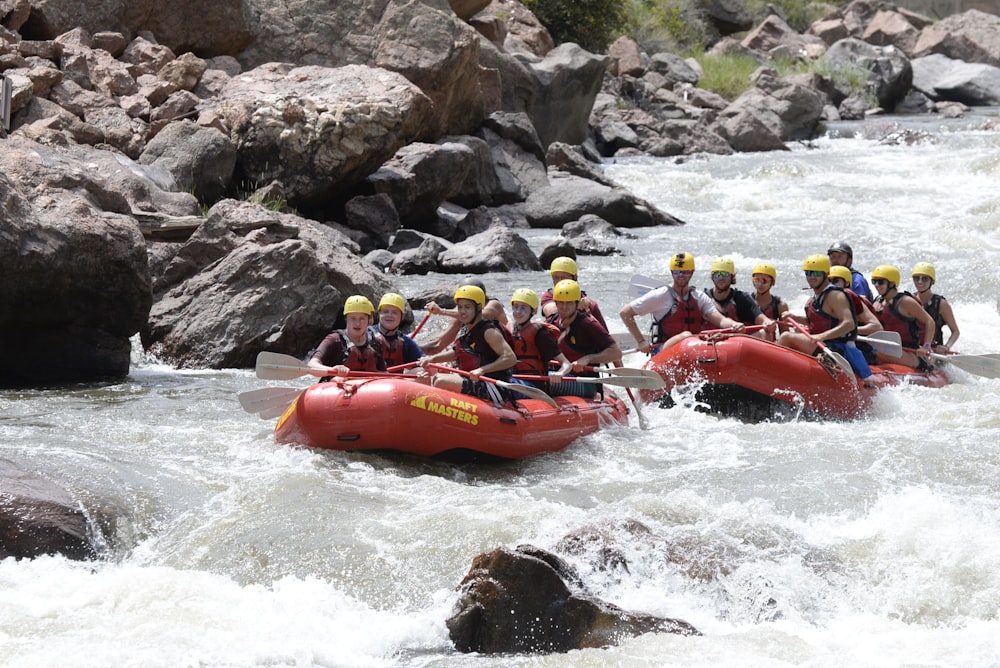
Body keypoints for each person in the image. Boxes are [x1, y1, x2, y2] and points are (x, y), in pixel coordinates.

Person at [619, 251, 746, 355]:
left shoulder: (698, 297)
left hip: (693, 351)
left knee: (701, 337)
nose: (681, 276)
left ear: (692, 272)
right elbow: (625, 313)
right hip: (663, 351)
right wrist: (641, 341)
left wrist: (735, 325)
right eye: (677, 272)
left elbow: (721, 320)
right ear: (671, 272)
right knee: (686, 335)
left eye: (685, 272)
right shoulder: (661, 295)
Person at [418, 284, 517, 404]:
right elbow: (458, 353)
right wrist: (432, 359)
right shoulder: (466, 329)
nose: (462, 312)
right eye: (460, 307)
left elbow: (510, 358)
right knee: (433, 376)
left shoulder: (489, 331)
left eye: (467, 307)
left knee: (440, 381)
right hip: (474, 380)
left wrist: (482, 370)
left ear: (479, 308)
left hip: (493, 386)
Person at [777, 254, 872, 378]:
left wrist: (822, 336)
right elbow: (818, 323)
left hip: (837, 349)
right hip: (824, 344)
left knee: (786, 337)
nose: (811, 277)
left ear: (825, 274)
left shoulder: (835, 295)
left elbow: (849, 324)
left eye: (816, 273)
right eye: (808, 273)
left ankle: (774, 373)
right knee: (789, 338)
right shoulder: (817, 297)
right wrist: (794, 317)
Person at [549, 279, 622, 398]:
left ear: (577, 304)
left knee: (546, 382)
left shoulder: (588, 324)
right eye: (561, 302)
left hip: (585, 382)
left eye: (569, 303)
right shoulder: (552, 322)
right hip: (558, 375)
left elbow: (616, 352)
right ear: (556, 303)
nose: (564, 307)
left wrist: (587, 359)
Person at [870, 265, 937, 370]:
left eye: (881, 282)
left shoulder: (905, 302)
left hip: (910, 352)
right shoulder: (878, 302)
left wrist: (926, 346)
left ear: (892, 283)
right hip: (886, 348)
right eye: (874, 282)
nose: (877, 285)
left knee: (879, 352)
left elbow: (930, 321)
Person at [420, 279, 508, 355]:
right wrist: (412, 349)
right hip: (478, 356)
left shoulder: (494, 305)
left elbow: (481, 314)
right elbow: (438, 345)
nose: (463, 310)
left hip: (501, 353)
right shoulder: (460, 315)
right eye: (460, 305)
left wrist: (442, 311)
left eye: (468, 305)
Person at [308, 295, 386, 377]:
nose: (357, 323)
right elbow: (312, 365)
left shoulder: (375, 343)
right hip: (338, 386)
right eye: (353, 318)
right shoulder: (334, 340)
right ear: (346, 319)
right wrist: (333, 370)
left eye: (362, 318)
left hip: (367, 387)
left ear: (368, 320)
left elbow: (384, 374)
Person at [704, 257, 776, 339]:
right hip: (708, 342)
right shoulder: (703, 298)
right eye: (717, 274)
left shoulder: (742, 298)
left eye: (725, 274)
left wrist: (768, 323)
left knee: (765, 333)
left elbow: (762, 319)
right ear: (712, 277)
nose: (721, 278)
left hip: (735, 342)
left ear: (732, 276)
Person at [539, 256, 609, 331]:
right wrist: (576, 306)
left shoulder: (590, 305)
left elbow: (605, 334)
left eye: (563, 277)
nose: (559, 281)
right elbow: (552, 312)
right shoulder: (548, 296)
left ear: (575, 278)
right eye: (556, 277)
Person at [911, 261, 960, 351]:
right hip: (914, 348)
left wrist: (946, 347)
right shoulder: (909, 300)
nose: (920, 282)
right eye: (916, 278)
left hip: (934, 351)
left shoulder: (941, 304)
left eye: (924, 279)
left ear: (931, 281)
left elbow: (955, 332)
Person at [371, 292, 424, 368]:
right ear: (379, 314)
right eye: (385, 312)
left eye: (394, 313)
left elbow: (422, 360)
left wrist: (425, 365)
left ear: (402, 317)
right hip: (365, 378)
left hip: (394, 378)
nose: (389, 315)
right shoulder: (365, 334)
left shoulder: (405, 342)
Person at [828, 265, 884, 337]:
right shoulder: (824, 299)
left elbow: (877, 327)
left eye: (835, 281)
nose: (831, 284)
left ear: (847, 283)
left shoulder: (854, 301)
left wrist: (847, 330)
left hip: (857, 342)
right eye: (829, 281)